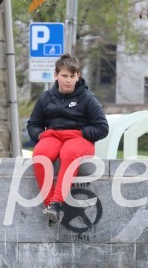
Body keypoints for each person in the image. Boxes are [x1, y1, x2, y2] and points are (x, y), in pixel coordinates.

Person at [26, 54, 109, 223]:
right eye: (64, 76)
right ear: (56, 75)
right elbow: (33, 125)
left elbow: (102, 128)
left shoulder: (87, 98)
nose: (68, 80)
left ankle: (57, 202)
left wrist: (80, 133)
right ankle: (51, 207)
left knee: (69, 153)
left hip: (79, 138)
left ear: (78, 76)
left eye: (73, 76)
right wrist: (41, 135)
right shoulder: (46, 98)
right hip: (53, 136)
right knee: (40, 153)